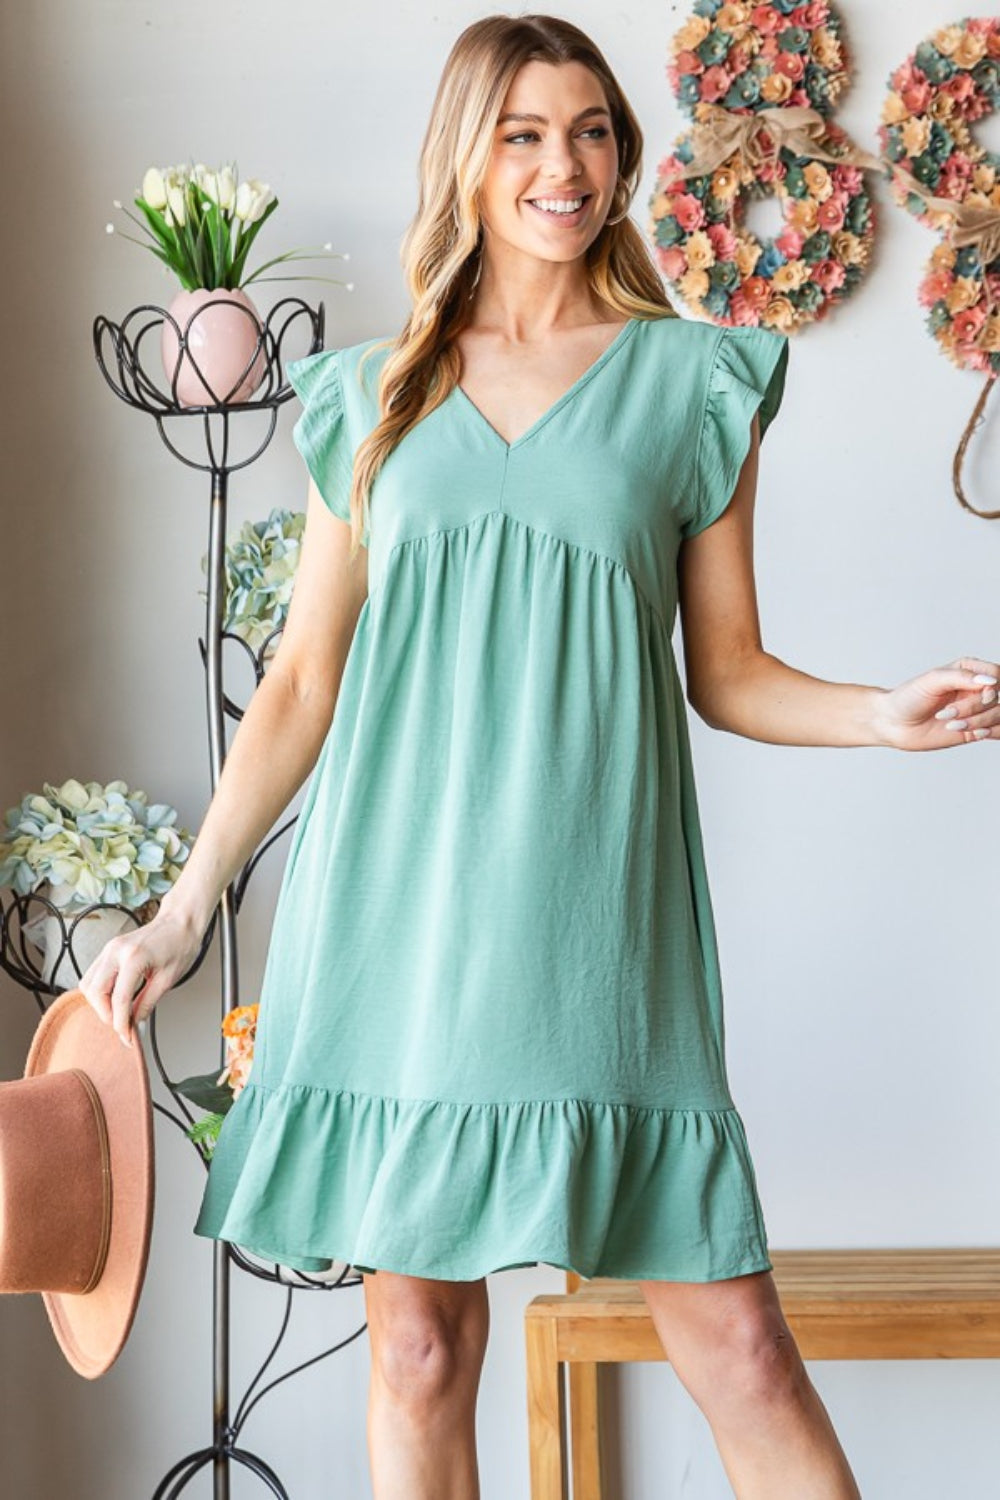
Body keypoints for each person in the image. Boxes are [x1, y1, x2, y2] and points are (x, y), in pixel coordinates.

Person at [79, 14, 997, 1499]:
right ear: (467, 158)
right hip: (395, 928)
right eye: (522, 133)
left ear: (623, 156)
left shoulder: (694, 382)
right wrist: (192, 903)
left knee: (742, 1352)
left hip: (597, 935)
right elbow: (305, 677)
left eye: (588, 131)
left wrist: (877, 712)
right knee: (419, 1351)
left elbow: (733, 672)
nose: (562, 166)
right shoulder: (372, 394)